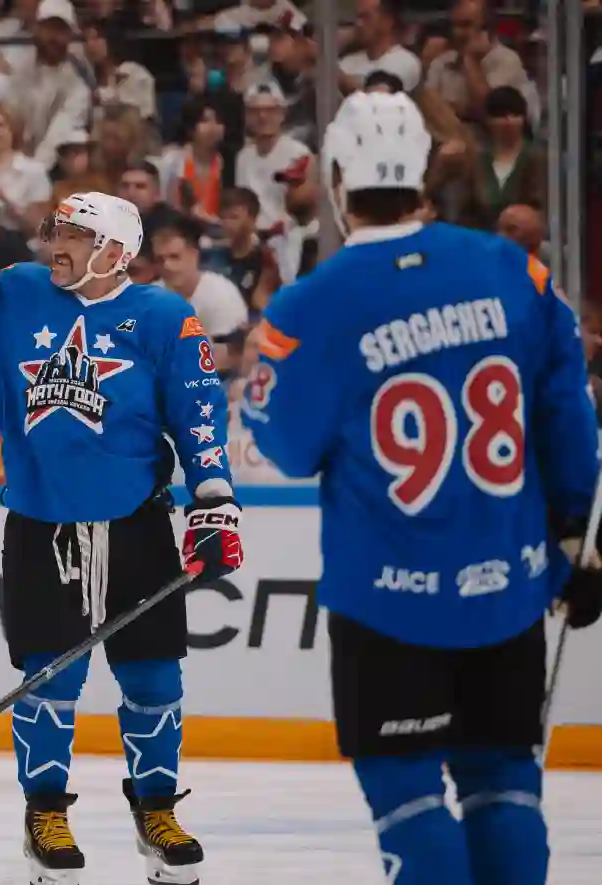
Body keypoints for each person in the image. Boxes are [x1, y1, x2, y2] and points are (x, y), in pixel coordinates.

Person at [242, 91, 602, 885]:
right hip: (509, 585)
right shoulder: (513, 268)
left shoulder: (310, 304)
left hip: (385, 599)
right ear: (423, 173)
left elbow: (286, 448)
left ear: (339, 179)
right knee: (503, 780)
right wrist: (579, 531)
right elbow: (566, 409)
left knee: (406, 794)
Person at [0, 149, 244, 885]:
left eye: (75, 236)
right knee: (49, 678)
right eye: (54, 231)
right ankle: (45, 814)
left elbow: (199, 416)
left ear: (116, 252)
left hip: (137, 524)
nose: (55, 244)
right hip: (42, 526)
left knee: (154, 677)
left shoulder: (163, 316)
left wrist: (214, 501)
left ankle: (157, 810)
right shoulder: (16, 294)